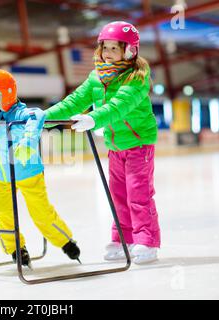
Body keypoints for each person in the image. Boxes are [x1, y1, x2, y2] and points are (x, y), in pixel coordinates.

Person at [45, 21, 161, 264]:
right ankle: (123, 239)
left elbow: (119, 107)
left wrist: (93, 119)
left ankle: (146, 242)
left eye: (114, 48)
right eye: (105, 47)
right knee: (118, 195)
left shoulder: (136, 78)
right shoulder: (97, 77)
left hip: (139, 144)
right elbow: (75, 100)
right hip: (115, 146)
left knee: (138, 195)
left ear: (130, 51)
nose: (107, 53)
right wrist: (45, 117)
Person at [0, 69, 80, 267]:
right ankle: (16, 248)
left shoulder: (18, 113)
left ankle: (65, 241)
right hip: (0, 178)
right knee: (2, 215)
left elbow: (37, 115)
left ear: (5, 96)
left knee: (41, 213)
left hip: (28, 174)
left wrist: (27, 143)